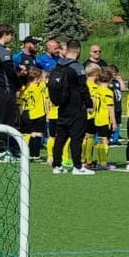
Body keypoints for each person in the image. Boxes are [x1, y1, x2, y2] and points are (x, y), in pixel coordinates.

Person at [47, 41, 90, 175]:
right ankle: (78, 166)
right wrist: (89, 104)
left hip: (62, 105)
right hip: (76, 106)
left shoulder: (58, 65)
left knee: (61, 136)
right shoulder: (77, 67)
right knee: (77, 137)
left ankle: (56, 165)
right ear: (77, 50)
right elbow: (83, 87)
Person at [0, 23, 20, 160]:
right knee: (4, 122)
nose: (11, 37)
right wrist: (18, 85)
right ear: (5, 34)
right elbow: (10, 73)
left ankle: (1, 149)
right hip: (4, 90)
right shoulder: (2, 51)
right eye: (11, 35)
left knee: (1, 121)